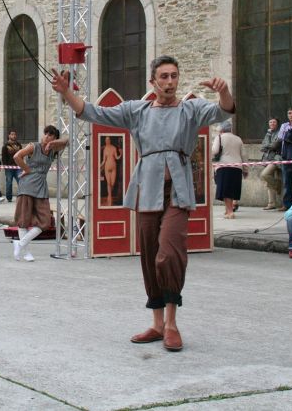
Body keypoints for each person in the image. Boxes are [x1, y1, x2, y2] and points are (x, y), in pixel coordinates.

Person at [52, 55, 235, 352]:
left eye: (174, 76)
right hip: (146, 189)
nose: (170, 82)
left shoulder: (190, 109)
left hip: (178, 190)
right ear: (153, 82)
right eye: (163, 77)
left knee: (169, 253)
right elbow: (92, 112)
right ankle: (157, 323)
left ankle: (172, 322)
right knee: (150, 255)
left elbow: (223, 110)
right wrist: (66, 92)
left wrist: (223, 90)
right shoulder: (137, 110)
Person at [11, 125, 69, 262]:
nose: (47, 137)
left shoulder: (53, 150)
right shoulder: (33, 146)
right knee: (23, 220)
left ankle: (19, 243)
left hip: (41, 186)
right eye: (46, 134)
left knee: (45, 221)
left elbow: (68, 141)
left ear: (54, 138)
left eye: (51, 135)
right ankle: (26, 252)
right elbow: (17, 156)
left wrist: (54, 144)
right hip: (27, 186)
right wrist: (27, 169)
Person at [212, 121, 248, 219]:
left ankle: (230, 212)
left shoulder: (219, 138)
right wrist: (245, 170)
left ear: (221, 130)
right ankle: (227, 210)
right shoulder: (238, 139)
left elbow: (214, 151)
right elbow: (244, 155)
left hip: (224, 166)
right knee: (231, 189)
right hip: (237, 167)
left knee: (225, 190)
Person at [259, 118, 282, 210]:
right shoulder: (268, 133)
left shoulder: (280, 132)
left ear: (277, 124)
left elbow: (274, 145)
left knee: (264, 174)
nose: (272, 123)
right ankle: (271, 203)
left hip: (276, 158)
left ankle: (277, 185)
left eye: (274, 122)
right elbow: (262, 147)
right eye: (270, 122)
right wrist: (268, 145)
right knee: (268, 183)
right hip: (267, 159)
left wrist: (267, 146)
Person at [100, 136, 122, 206]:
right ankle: (109, 200)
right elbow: (104, 160)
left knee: (112, 183)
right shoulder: (105, 149)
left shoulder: (113, 148)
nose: (107, 141)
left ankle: (109, 198)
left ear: (110, 140)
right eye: (106, 140)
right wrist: (100, 166)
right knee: (108, 184)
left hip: (113, 167)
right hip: (107, 167)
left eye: (108, 140)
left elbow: (117, 157)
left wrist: (121, 154)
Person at [1, 130, 22, 202]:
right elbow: (3, 157)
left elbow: (21, 155)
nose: (14, 136)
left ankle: (20, 196)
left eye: (15, 134)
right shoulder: (5, 146)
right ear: (9, 136)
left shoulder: (19, 145)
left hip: (18, 167)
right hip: (9, 168)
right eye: (12, 134)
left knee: (21, 181)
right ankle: (9, 198)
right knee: (9, 182)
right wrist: (6, 166)